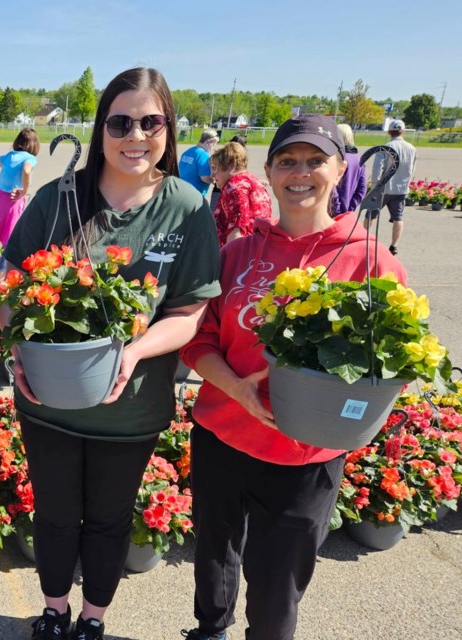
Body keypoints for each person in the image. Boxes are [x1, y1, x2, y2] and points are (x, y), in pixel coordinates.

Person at [1, 67, 221, 640]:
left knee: (107, 520)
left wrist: (135, 350)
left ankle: (93, 620)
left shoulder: (188, 208)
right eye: (121, 121)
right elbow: (11, 279)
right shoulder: (59, 199)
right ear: (101, 129)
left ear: (169, 130)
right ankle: (54, 611)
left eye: (151, 122)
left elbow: (189, 313)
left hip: (132, 409)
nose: (136, 135)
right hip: (48, 401)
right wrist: (17, 347)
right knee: (52, 514)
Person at [179, 114, 406, 640]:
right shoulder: (237, 252)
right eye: (287, 161)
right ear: (269, 171)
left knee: (277, 586)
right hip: (221, 435)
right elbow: (200, 338)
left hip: (305, 454)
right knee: (214, 555)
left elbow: (391, 366)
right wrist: (235, 387)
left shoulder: (368, 260)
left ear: (340, 168)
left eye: (314, 160)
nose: (299, 172)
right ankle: (209, 631)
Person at [365, 118, 416, 255]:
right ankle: (394, 245)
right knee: (398, 217)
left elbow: (377, 169)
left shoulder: (386, 147)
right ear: (403, 131)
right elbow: (412, 168)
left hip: (384, 188)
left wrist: (375, 185)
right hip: (401, 188)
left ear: (389, 132)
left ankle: (363, 240)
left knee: (371, 214)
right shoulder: (411, 148)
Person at [209, 141, 272, 246]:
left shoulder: (234, 187)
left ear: (231, 166)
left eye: (215, 169)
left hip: (239, 253)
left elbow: (238, 229)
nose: (213, 175)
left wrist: (231, 259)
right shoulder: (253, 180)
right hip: (257, 250)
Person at [0, 127, 39, 245]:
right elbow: (26, 170)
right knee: (12, 228)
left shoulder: (10, 156)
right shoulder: (30, 158)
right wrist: (24, 191)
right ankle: (7, 256)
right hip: (13, 198)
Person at [333, 123, 366, 214]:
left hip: (332, 210)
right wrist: (350, 208)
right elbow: (362, 189)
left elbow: (332, 187)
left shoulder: (338, 158)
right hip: (348, 210)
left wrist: (337, 209)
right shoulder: (359, 158)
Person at [178, 129, 218, 197]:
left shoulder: (187, 152)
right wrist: (215, 181)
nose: (214, 148)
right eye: (214, 144)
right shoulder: (203, 156)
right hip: (195, 194)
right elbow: (205, 178)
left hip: (182, 189)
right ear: (208, 142)